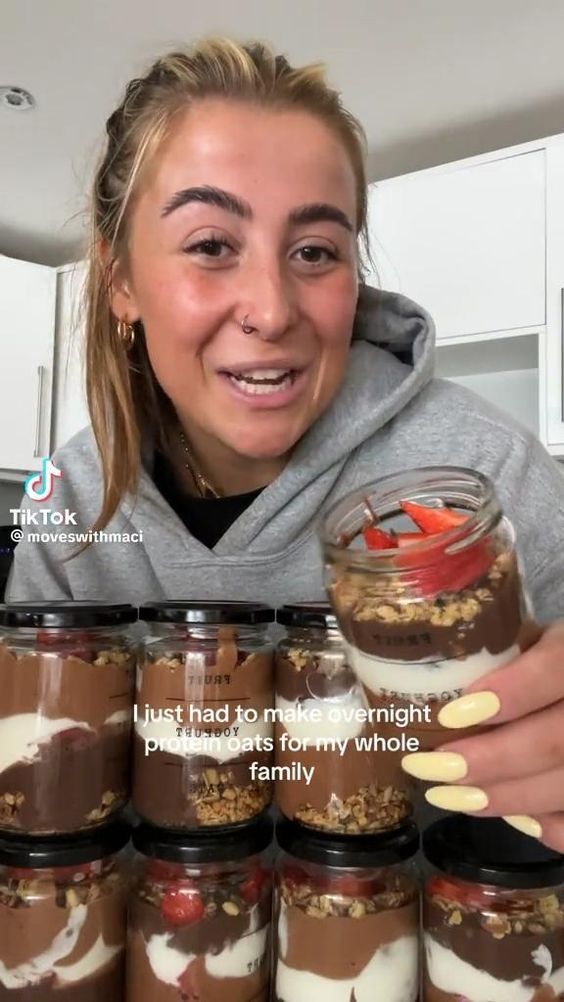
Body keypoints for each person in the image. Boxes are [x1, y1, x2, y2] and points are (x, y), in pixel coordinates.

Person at [6, 38, 564, 851]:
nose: (271, 310)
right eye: (210, 245)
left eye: (313, 252)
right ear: (121, 278)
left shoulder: (487, 473)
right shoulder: (72, 504)